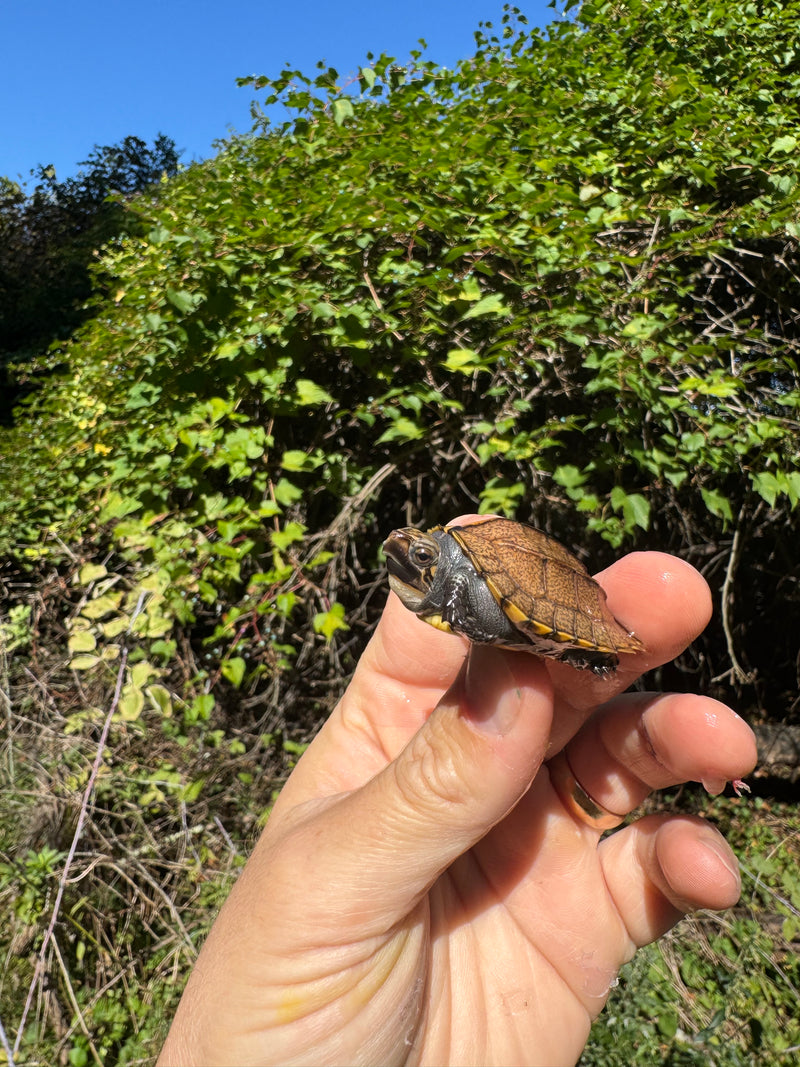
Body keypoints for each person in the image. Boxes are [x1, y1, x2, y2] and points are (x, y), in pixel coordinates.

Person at [157, 526, 757, 1067]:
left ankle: (588, 648)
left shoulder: (476, 577)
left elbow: (506, 600)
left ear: (443, 565)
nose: (409, 559)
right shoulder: (445, 591)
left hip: (536, 597)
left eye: (422, 556)